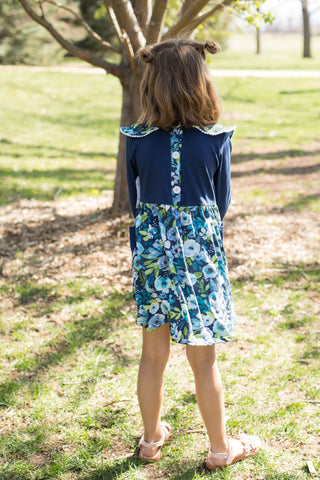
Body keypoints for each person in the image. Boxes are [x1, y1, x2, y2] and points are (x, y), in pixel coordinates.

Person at [121, 38, 261, 471]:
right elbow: (221, 203)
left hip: (152, 255)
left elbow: (135, 201)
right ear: (202, 83)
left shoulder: (136, 140)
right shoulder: (216, 140)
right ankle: (220, 449)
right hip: (199, 257)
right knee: (204, 360)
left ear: (153, 85)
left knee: (152, 356)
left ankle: (150, 440)